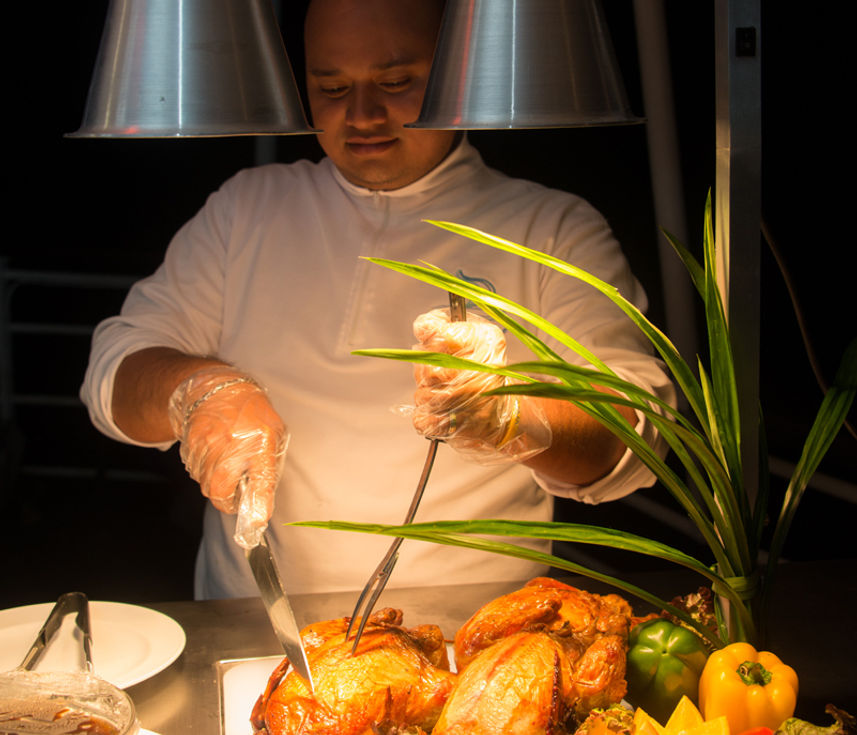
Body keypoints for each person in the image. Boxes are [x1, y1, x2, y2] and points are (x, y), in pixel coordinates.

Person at [80, 0, 675, 599]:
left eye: (395, 82)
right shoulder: (247, 209)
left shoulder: (552, 228)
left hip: (470, 646)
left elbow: (637, 433)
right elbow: (114, 373)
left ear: (455, 74)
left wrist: (515, 417)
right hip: (252, 634)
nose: (362, 114)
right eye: (332, 87)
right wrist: (201, 390)